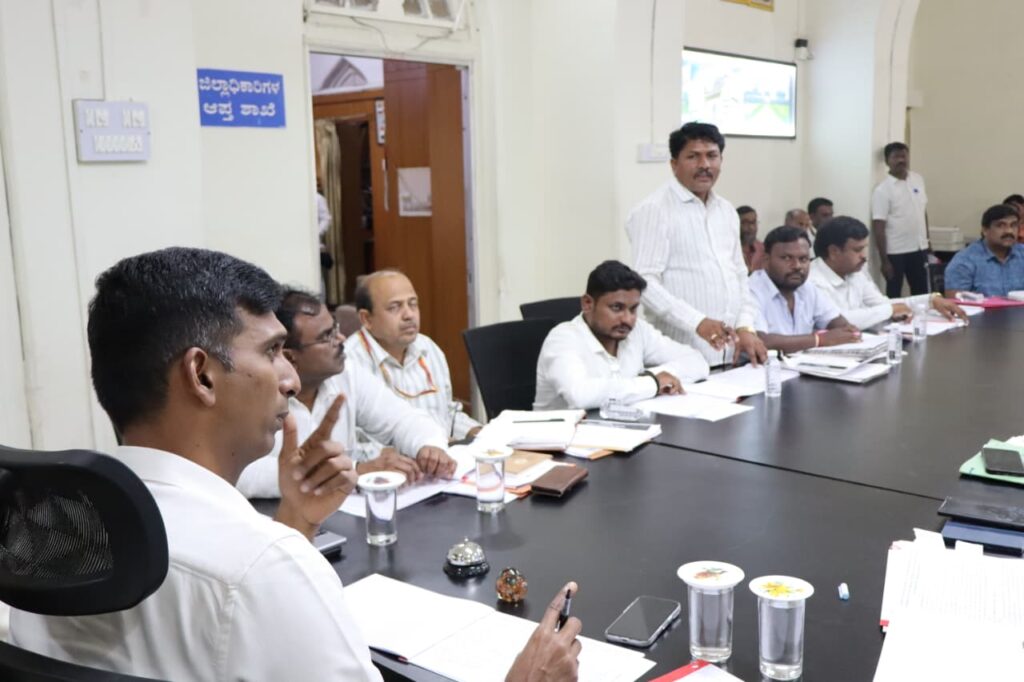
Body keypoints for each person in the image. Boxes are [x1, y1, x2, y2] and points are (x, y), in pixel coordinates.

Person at [9, 247, 582, 681]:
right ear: (201, 374)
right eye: (270, 352)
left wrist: (296, 521)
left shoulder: (43, 527)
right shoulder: (264, 569)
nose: (288, 378)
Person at [236, 287, 457, 497]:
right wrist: (353, 471)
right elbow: (243, 472)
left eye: (336, 328)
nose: (341, 340)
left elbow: (402, 419)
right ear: (290, 356)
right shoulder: (254, 391)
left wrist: (428, 447)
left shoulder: (346, 373)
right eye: (327, 336)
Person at [626, 122, 767, 366]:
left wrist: (745, 326)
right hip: (678, 357)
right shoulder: (654, 210)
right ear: (674, 164)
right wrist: (696, 321)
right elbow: (644, 283)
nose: (704, 165)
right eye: (693, 157)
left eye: (712, 156)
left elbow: (739, 275)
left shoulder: (726, 211)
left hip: (729, 357)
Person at [534, 260, 709, 410]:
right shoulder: (562, 338)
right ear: (587, 303)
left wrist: (652, 376)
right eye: (616, 308)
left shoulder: (638, 330)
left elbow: (697, 362)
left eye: (633, 309)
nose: (627, 319)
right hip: (559, 438)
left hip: (620, 429)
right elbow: (580, 395)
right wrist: (652, 383)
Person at [345, 270, 481, 442]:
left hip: (446, 452)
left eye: (413, 304)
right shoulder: (348, 363)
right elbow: (353, 441)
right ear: (366, 319)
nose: (409, 315)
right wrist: (423, 448)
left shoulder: (428, 348)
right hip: (398, 458)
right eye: (394, 307)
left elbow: (447, 414)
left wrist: (480, 433)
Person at [808, 216, 967, 328]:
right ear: (834, 251)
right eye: (857, 250)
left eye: (864, 249)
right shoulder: (812, 280)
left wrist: (930, 300)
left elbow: (882, 304)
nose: (864, 256)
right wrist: (890, 310)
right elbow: (837, 320)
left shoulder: (854, 272)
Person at [749, 227, 861, 354]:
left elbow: (839, 324)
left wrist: (848, 333)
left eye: (803, 259)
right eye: (786, 258)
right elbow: (760, 340)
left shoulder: (807, 288)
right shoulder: (752, 290)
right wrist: (819, 340)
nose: (797, 266)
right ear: (766, 260)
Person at [872, 142, 930, 297]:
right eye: (896, 157)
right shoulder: (882, 190)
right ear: (887, 161)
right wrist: (884, 261)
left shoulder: (917, 179)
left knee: (922, 292)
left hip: (919, 248)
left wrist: (928, 241)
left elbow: (922, 211)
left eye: (903, 156)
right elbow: (878, 226)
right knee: (894, 293)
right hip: (895, 251)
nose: (901, 160)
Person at [944, 204, 1024, 298]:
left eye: (1013, 225)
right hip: (980, 308)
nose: (1009, 231)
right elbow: (955, 300)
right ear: (985, 230)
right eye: (1001, 225)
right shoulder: (965, 260)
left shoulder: (1021, 253)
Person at [738, 205, 765, 272]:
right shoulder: (727, 250)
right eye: (745, 223)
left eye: (753, 222)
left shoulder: (762, 249)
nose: (751, 227)